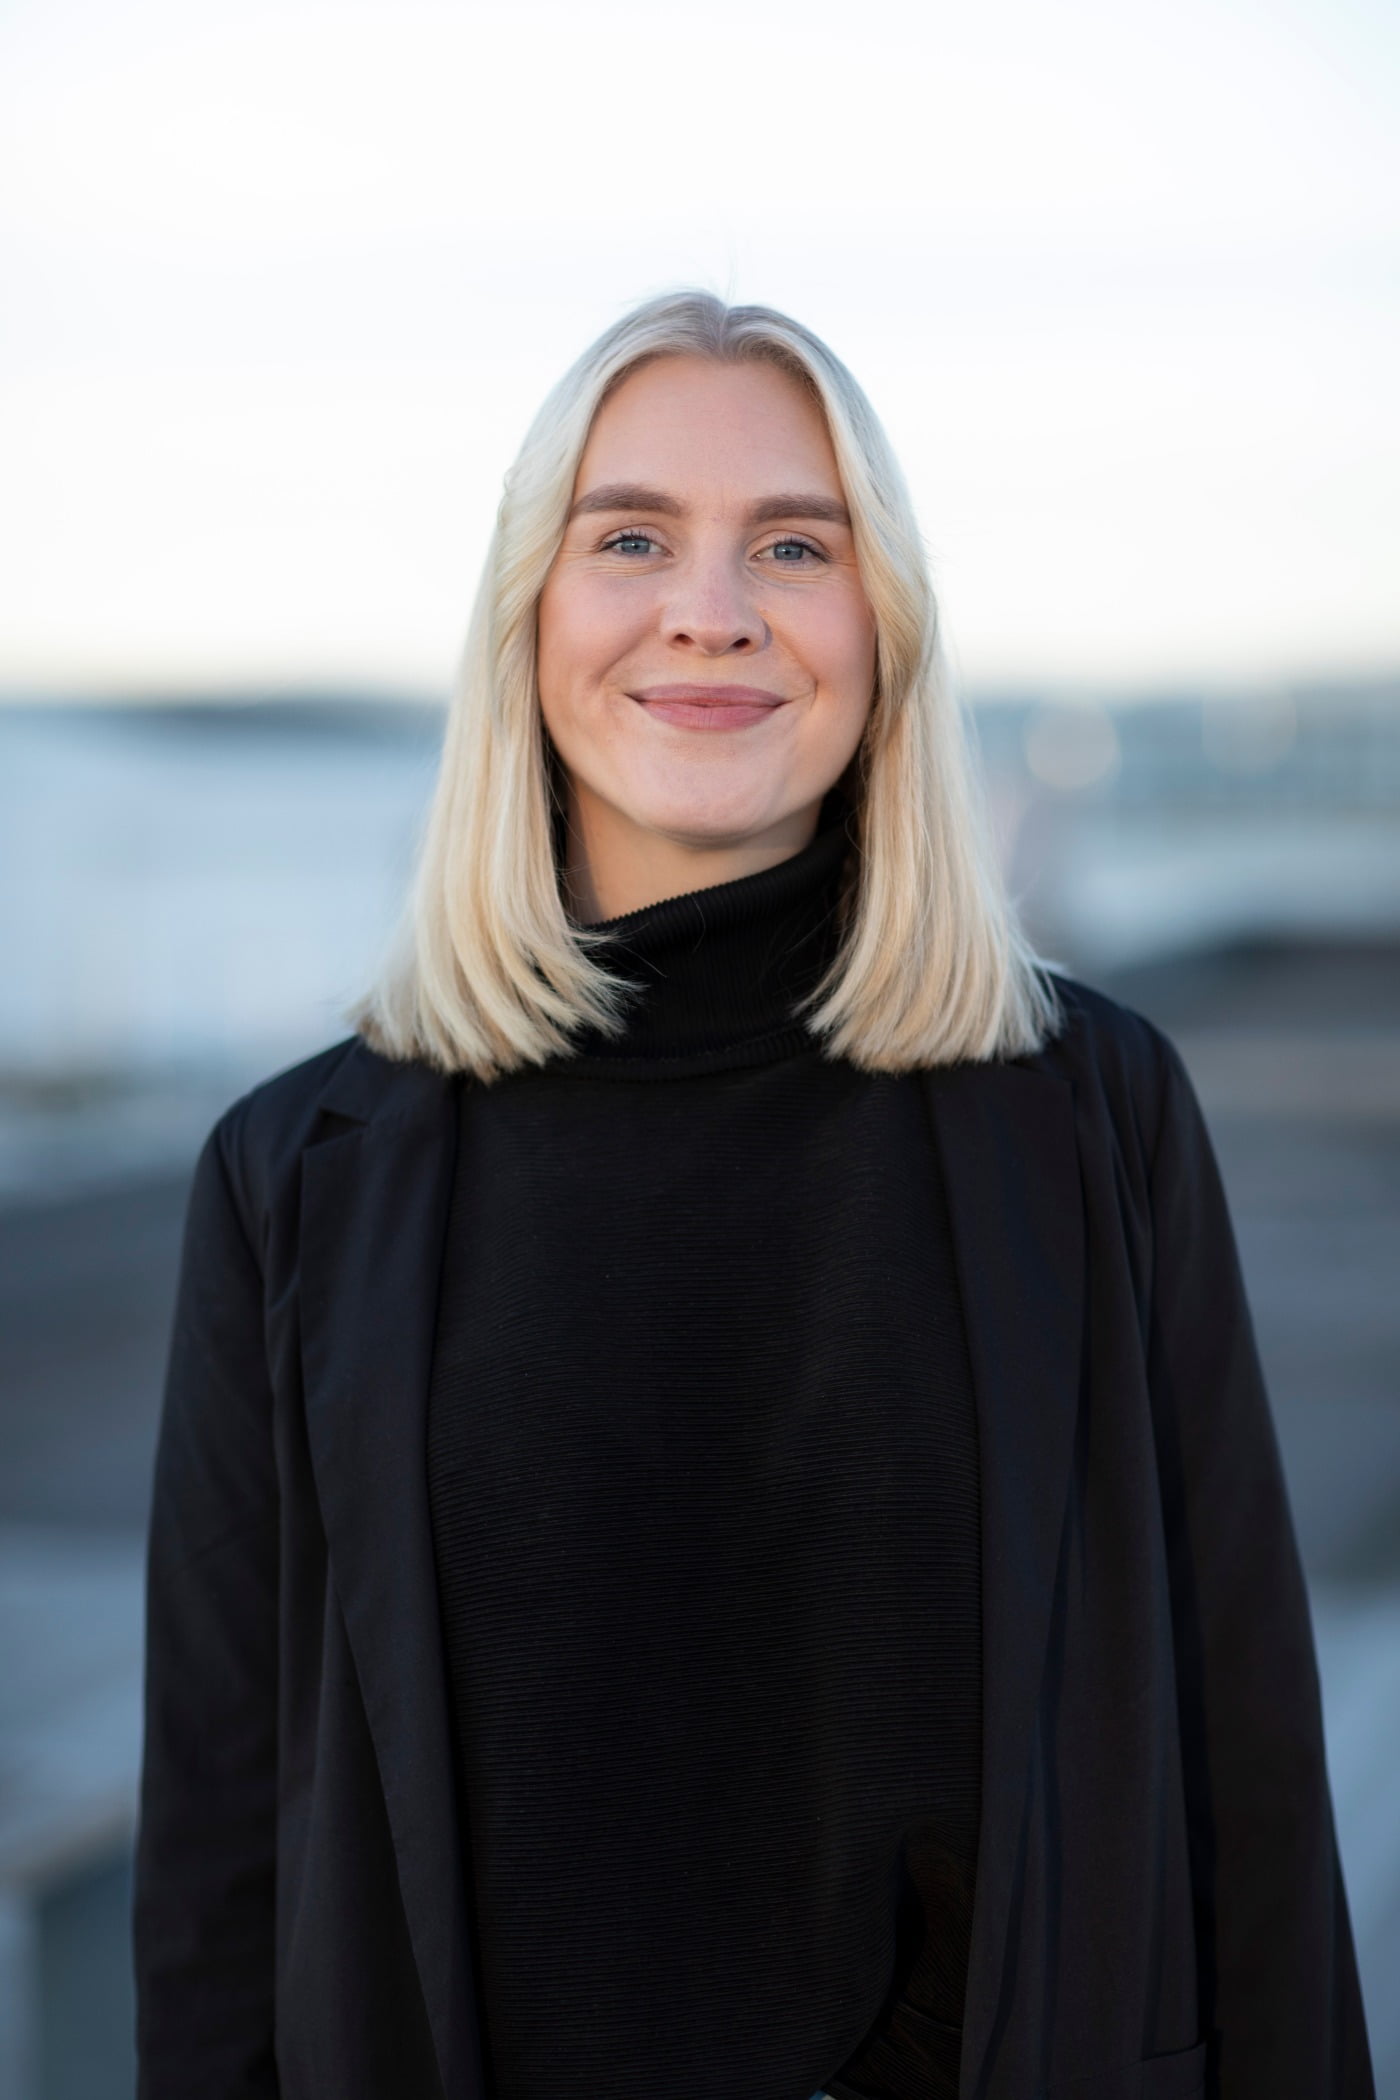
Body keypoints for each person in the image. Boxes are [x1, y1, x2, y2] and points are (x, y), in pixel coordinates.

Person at [132, 291, 1374, 2100]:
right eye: (629, 536)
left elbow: (1247, 1774)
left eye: (794, 544)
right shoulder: (292, 1182)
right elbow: (220, 1867)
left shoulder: (1095, 1118)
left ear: (884, 632)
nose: (709, 607)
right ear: (527, 625)